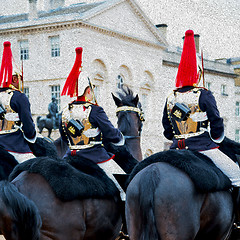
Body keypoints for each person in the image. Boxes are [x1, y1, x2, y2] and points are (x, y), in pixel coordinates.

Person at [162, 29, 240, 225]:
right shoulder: (204, 94)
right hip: (204, 148)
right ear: (197, 72)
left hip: (175, 149)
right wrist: (216, 138)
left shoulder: (171, 97)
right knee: (238, 177)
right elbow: (217, 122)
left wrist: (178, 136)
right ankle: (238, 221)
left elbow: (166, 128)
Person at [60, 47, 126, 201]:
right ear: (88, 90)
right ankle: (125, 223)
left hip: (70, 157)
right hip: (94, 157)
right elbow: (110, 133)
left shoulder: (64, 111)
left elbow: (64, 137)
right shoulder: (95, 110)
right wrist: (119, 138)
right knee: (125, 186)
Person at [0, 41, 36, 163]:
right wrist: (31, 135)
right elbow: (29, 128)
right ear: (15, 78)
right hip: (14, 147)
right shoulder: (19, 97)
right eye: (20, 78)